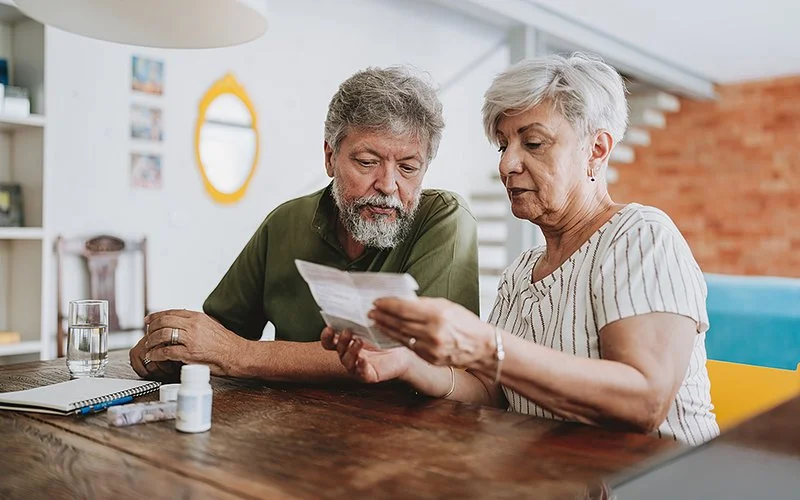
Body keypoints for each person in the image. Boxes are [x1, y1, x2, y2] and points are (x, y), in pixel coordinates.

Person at [323, 53, 719, 445]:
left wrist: (484, 344)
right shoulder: (522, 270)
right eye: (502, 146)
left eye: (532, 142)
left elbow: (645, 403)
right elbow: (493, 394)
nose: (507, 164)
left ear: (596, 150)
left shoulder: (640, 237)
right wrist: (405, 364)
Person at [130, 66, 479, 382]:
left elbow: (413, 357)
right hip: (288, 434)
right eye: (368, 161)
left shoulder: (444, 219)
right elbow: (221, 333)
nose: (388, 185)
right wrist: (174, 349)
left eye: (408, 168)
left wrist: (240, 355)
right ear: (330, 157)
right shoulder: (286, 222)